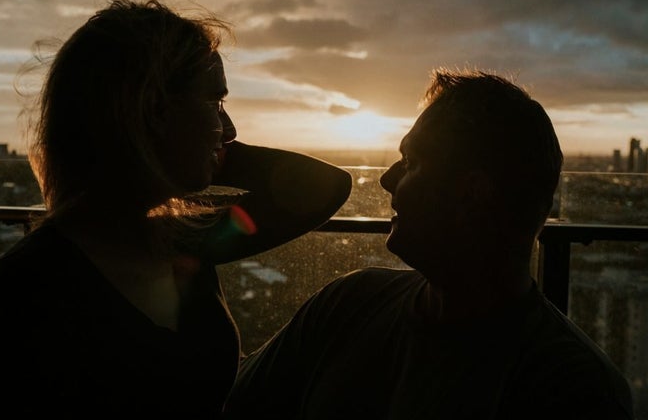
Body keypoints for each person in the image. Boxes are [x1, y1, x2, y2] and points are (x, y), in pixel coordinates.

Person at [0, 0, 352, 419]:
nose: (230, 128)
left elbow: (328, 187)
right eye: (214, 103)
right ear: (151, 109)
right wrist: (193, 150)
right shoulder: (31, 286)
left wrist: (198, 147)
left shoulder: (181, 240)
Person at [223, 70, 635, 419]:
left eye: (412, 163)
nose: (386, 180)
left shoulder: (571, 388)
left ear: (470, 195)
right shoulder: (346, 302)